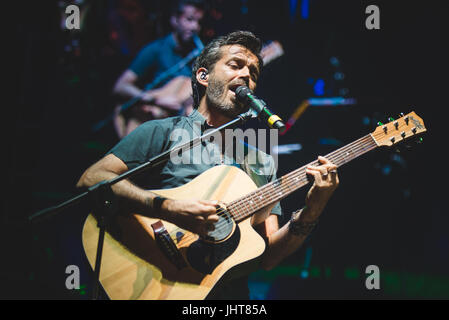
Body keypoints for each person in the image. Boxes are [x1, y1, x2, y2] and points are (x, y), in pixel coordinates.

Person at [77, 31, 339, 299]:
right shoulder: (161, 132)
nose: (247, 75)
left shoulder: (260, 162)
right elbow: (92, 178)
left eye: (253, 73)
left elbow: (268, 256)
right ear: (204, 77)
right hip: (146, 280)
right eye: (236, 65)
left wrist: (312, 210)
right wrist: (168, 208)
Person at [112, 0, 205, 138]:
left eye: (199, 22)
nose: (194, 27)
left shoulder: (199, 57)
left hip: (175, 132)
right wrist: (154, 100)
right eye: (189, 19)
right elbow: (121, 86)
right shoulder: (156, 49)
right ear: (175, 20)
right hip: (148, 121)